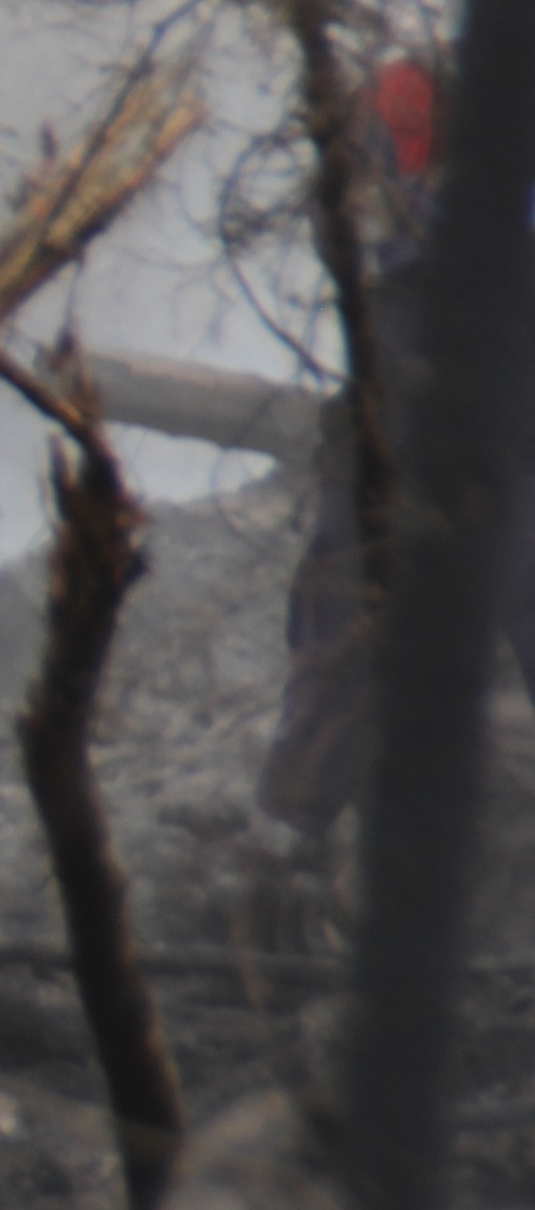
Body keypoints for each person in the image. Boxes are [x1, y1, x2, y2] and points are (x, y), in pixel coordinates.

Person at [238, 47, 535, 932]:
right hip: (437, 356)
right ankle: (290, 843)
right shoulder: (426, 88)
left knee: (361, 587)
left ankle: (294, 836)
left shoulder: (429, 88)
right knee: (362, 596)